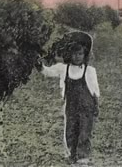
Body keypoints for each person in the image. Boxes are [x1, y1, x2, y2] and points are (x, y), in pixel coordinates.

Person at [36, 31, 100, 165]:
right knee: (70, 131)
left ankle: (83, 157)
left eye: (80, 54)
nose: (77, 57)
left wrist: (96, 106)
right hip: (70, 107)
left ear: (85, 55)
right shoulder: (63, 69)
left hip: (86, 107)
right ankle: (71, 154)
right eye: (74, 54)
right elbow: (48, 71)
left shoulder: (89, 71)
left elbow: (95, 91)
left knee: (84, 132)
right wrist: (39, 66)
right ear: (69, 54)